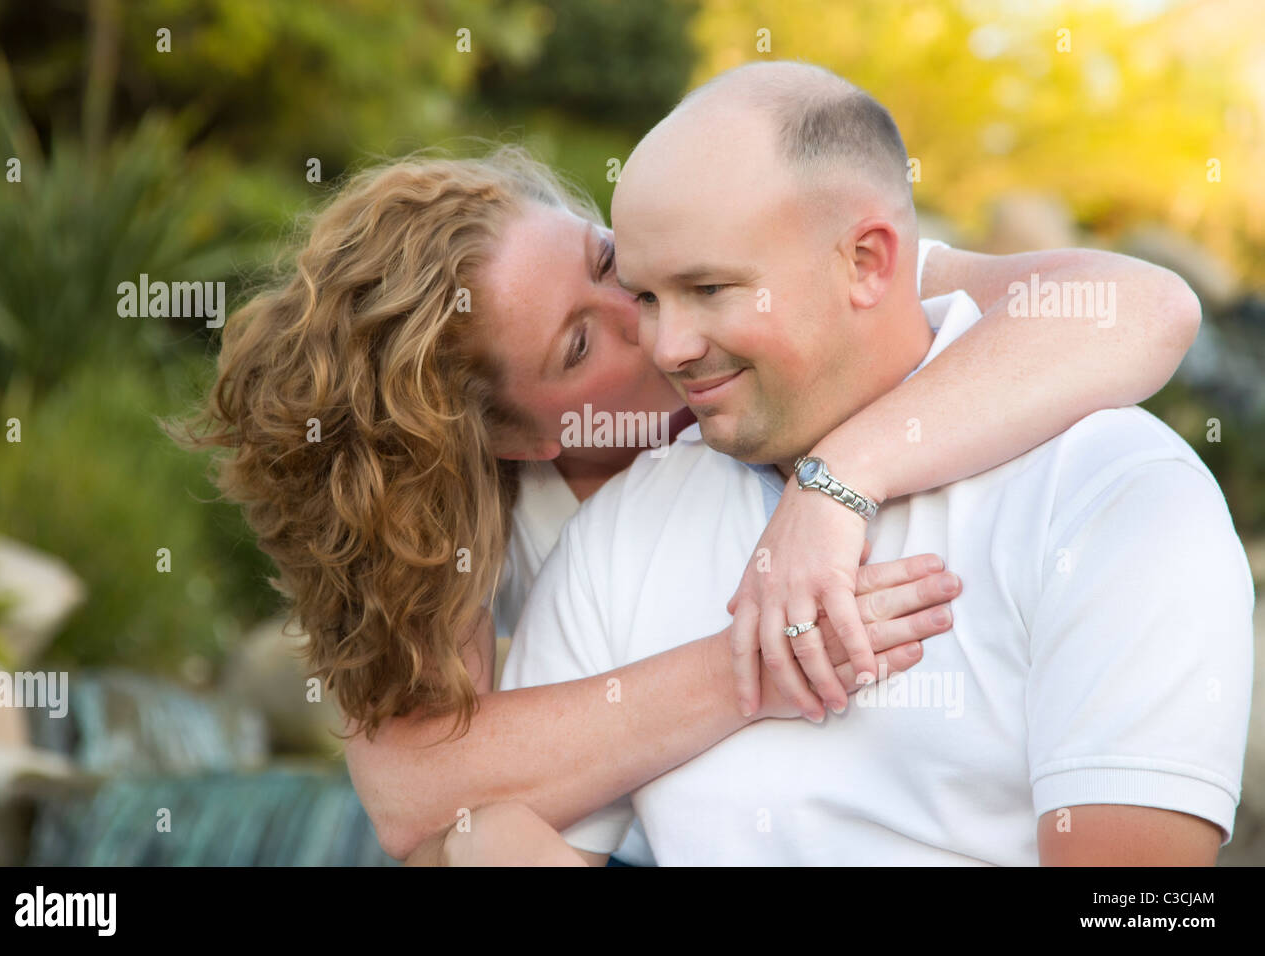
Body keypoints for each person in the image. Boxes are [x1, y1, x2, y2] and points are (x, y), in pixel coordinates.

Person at [176, 111, 1203, 865]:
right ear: (509, 437)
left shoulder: (789, 297)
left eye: (608, 262)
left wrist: (835, 484)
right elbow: (417, 798)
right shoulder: (480, 532)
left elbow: (1142, 307)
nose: (654, 321)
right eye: (581, 344)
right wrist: (758, 658)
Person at [496, 61, 1254, 866]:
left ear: (866, 262)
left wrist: (833, 484)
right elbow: (496, 830)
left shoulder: (1113, 494)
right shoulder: (622, 528)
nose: (667, 348)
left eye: (710, 288)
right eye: (647, 297)